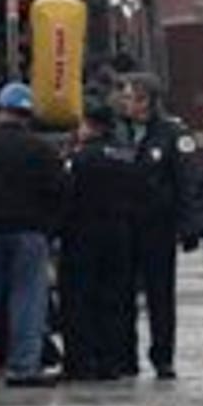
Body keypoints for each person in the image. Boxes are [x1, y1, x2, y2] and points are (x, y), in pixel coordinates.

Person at [0, 83, 66, 387]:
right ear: (28, 114)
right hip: (30, 234)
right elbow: (60, 192)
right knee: (28, 300)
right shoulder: (42, 149)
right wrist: (48, 229)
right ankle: (23, 367)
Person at [117, 74, 203, 381]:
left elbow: (188, 179)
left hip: (158, 225)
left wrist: (191, 224)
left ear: (150, 101)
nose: (129, 104)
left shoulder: (171, 133)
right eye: (127, 98)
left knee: (160, 295)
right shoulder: (118, 133)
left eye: (135, 99)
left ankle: (163, 356)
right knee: (122, 293)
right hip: (123, 225)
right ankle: (124, 355)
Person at [59, 104, 145, 382]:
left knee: (80, 299)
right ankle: (114, 361)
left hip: (83, 235)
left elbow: (66, 195)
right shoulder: (127, 155)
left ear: (90, 125)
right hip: (121, 234)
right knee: (116, 300)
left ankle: (82, 363)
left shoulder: (81, 158)